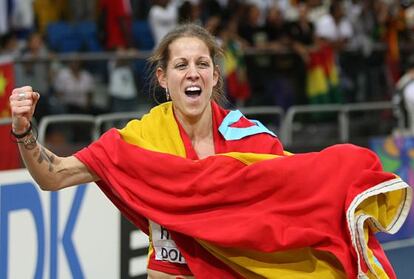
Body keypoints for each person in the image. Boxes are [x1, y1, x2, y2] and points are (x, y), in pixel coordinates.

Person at [9, 24, 412, 279]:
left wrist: (345, 182)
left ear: (214, 76)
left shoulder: (252, 139)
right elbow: (53, 175)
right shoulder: (138, 140)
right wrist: (24, 132)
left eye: (202, 63)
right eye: (181, 65)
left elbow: (297, 194)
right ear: (164, 79)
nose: (193, 72)